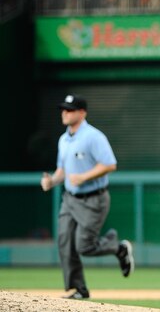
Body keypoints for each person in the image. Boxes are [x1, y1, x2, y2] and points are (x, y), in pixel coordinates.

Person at [40, 94, 134, 300]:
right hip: (70, 199)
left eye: (70, 109)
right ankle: (79, 289)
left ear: (82, 113)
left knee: (84, 246)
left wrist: (84, 176)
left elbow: (109, 164)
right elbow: (62, 170)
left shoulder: (94, 136)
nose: (64, 113)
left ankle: (118, 248)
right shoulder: (63, 139)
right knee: (64, 242)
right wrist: (51, 181)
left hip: (94, 199)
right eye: (63, 109)